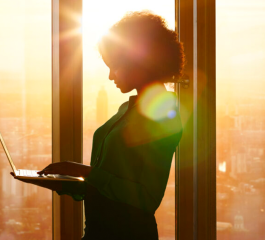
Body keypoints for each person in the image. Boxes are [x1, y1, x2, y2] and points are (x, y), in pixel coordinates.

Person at [12, 11, 185, 239]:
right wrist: (67, 182)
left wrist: (85, 172)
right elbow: (110, 183)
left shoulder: (164, 115)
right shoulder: (127, 109)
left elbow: (146, 197)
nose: (111, 76)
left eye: (114, 66)